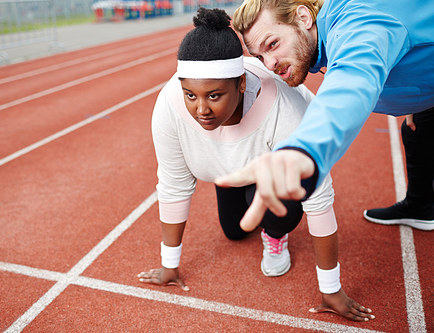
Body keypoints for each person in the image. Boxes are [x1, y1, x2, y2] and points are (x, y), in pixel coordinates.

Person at [137, 7, 374, 322]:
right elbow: (174, 184)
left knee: (280, 211)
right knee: (234, 232)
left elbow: (318, 199)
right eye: (190, 95)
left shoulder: (284, 108)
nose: (201, 109)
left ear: (242, 85)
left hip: (274, 166)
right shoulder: (169, 106)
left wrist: (330, 289)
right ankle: (242, 190)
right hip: (231, 168)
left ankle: (275, 235)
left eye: (214, 96)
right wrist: (170, 265)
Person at [216, 0, 434, 233]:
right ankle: (419, 206)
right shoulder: (328, 33)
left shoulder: (356, 24)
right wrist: (420, 100)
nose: (270, 64)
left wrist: (305, 150)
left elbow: (351, 80)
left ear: (304, 18)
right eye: (260, 57)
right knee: (418, 134)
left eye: (273, 44)